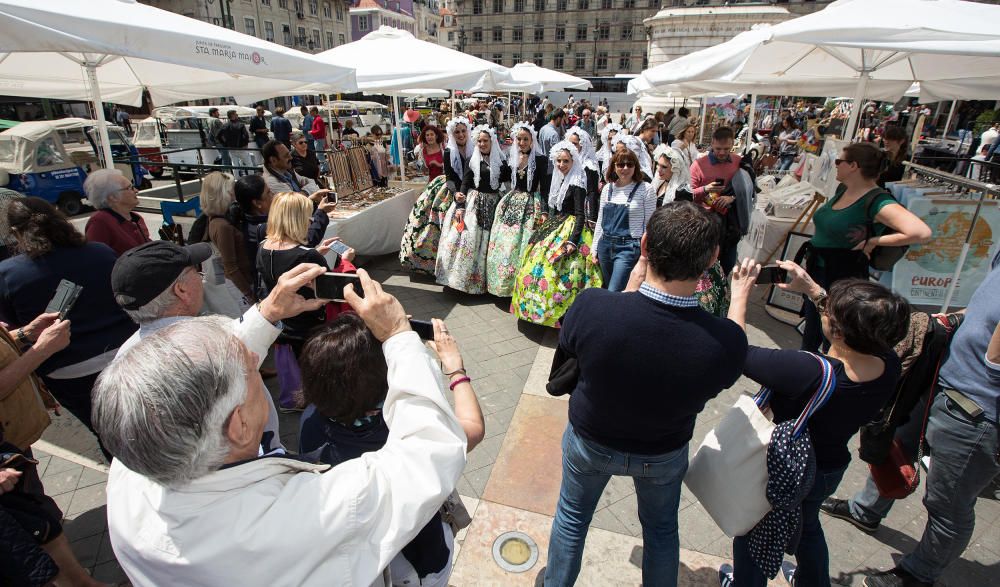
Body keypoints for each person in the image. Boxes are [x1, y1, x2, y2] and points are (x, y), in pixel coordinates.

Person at [93, 268, 468, 586]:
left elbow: (183, 383)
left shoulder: (136, 456)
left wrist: (268, 312)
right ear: (238, 425)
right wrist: (399, 336)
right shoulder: (302, 517)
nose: (258, 358)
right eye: (251, 371)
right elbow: (429, 452)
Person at [544, 201, 748, 586]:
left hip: (591, 440)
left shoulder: (592, 306)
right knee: (660, 532)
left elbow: (579, 340)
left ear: (644, 245)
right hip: (663, 451)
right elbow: (733, 356)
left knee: (572, 517)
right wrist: (739, 299)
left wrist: (630, 286)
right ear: (713, 259)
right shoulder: (723, 342)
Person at [718, 259, 907, 587]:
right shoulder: (888, 362)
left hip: (785, 470)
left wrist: (740, 294)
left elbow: (736, 353)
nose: (824, 312)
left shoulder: (808, 370)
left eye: (828, 313)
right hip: (827, 469)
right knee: (807, 528)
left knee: (753, 532)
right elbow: (854, 326)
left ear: (838, 331)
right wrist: (813, 289)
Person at [298, 315, 484, 587]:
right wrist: (455, 369)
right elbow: (472, 428)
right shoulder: (400, 434)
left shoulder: (311, 422)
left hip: (366, 560)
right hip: (418, 561)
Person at [0, 197, 135, 449]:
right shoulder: (101, 253)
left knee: (108, 435)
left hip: (67, 372)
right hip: (126, 353)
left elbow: (8, 331)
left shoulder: (8, 274)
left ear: (17, 233)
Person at [1, 313, 112, 587]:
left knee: (41, 517)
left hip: (15, 441)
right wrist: (41, 350)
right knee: (40, 525)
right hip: (7, 457)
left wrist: (25, 334)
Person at [799, 142, 931, 353]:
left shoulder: (877, 200)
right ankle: (806, 372)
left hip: (843, 277)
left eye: (839, 161)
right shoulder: (844, 189)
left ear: (854, 166)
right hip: (819, 270)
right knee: (812, 330)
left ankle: (829, 376)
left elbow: (921, 232)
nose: (836, 165)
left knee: (835, 337)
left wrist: (874, 242)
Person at [257, 193, 353, 411]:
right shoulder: (307, 256)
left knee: (292, 367)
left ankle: (294, 400)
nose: (310, 221)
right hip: (310, 322)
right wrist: (345, 262)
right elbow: (334, 289)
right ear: (298, 219)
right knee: (314, 366)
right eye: (308, 217)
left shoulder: (263, 246)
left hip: (281, 323)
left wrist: (317, 251)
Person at [512, 141, 602, 327]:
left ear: (573, 161)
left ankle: (564, 316)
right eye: (558, 161)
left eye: (566, 161)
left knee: (564, 274)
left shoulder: (577, 182)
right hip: (558, 223)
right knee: (536, 263)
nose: (561, 165)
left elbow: (580, 214)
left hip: (571, 228)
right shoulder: (561, 177)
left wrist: (572, 241)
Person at [435, 125, 511, 294]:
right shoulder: (473, 160)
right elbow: (465, 183)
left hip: (494, 204)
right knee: (468, 241)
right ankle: (460, 282)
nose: (482, 144)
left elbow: (508, 180)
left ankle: (484, 284)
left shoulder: (501, 161)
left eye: (485, 141)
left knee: (488, 243)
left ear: (492, 141)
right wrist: (460, 203)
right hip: (474, 203)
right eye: (479, 141)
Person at [486, 122, 548, 297]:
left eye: (525, 139)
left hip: (530, 203)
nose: (522, 142)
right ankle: (502, 284)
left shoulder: (541, 159)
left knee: (524, 243)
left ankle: (521, 286)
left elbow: (544, 188)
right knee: (505, 245)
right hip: (511, 201)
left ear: (532, 140)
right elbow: (502, 177)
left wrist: (543, 210)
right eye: (519, 139)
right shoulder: (510, 157)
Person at [399, 122, 466, 275]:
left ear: (437, 135)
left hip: (447, 184)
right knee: (426, 219)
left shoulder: (445, 148)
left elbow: (451, 168)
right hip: (433, 185)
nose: (429, 137)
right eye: (427, 135)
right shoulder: (422, 151)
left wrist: (439, 164)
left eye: (432, 134)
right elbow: (422, 169)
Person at [591, 150, 656, 292]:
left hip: (628, 247)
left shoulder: (646, 189)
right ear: (614, 166)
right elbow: (600, 219)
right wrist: (594, 248)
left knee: (614, 290)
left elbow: (650, 225)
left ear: (636, 166)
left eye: (629, 164)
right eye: (621, 164)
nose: (625, 168)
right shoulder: (608, 189)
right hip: (605, 245)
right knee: (607, 286)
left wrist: (646, 254)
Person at [688, 126, 746, 272]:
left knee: (727, 265)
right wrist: (706, 189)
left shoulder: (739, 162)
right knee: (703, 268)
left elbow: (748, 190)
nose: (722, 153)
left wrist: (731, 197)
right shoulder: (698, 165)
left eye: (726, 149)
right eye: (718, 148)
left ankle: (722, 293)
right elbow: (688, 194)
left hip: (730, 225)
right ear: (712, 143)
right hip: (704, 224)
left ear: (733, 144)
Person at [199, 172, 256, 313]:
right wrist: (249, 294)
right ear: (224, 194)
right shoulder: (222, 225)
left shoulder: (216, 219)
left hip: (241, 281)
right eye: (232, 191)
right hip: (241, 284)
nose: (235, 195)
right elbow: (230, 266)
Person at [82, 168, 150, 256]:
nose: (136, 190)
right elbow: (95, 258)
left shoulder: (136, 218)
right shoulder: (100, 222)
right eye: (130, 188)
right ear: (113, 197)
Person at [261, 139, 334, 200]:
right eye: (286, 156)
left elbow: (311, 181)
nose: (290, 157)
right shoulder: (271, 182)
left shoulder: (287, 171)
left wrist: (301, 193)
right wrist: (307, 193)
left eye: (289, 154)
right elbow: (294, 202)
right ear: (273, 160)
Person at [538, 109, 567, 194]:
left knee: (543, 193)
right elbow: (558, 154)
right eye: (562, 120)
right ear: (558, 118)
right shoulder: (553, 134)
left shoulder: (543, 128)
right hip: (550, 169)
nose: (563, 123)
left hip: (543, 166)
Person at [670, 122, 700, 186]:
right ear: (684, 132)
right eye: (688, 132)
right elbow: (673, 155)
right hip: (680, 171)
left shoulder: (692, 144)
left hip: (690, 171)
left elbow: (696, 155)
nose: (691, 134)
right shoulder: (677, 142)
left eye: (692, 132)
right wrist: (682, 147)